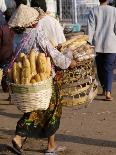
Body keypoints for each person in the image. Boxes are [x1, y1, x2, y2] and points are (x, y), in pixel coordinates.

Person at [8, 4, 76, 155]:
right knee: (49, 110)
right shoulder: (37, 33)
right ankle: (21, 137)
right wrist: (68, 61)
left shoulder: (17, 36)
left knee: (40, 110)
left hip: (29, 80)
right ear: (31, 22)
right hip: (44, 79)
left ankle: (47, 145)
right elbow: (52, 54)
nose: (38, 20)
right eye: (35, 19)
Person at [87, 0, 116, 101]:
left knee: (100, 68)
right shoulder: (114, 11)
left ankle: (105, 89)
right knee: (109, 68)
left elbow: (90, 28)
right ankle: (107, 92)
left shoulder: (93, 11)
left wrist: (89, 42)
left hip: (97, 44)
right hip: (111, 44)